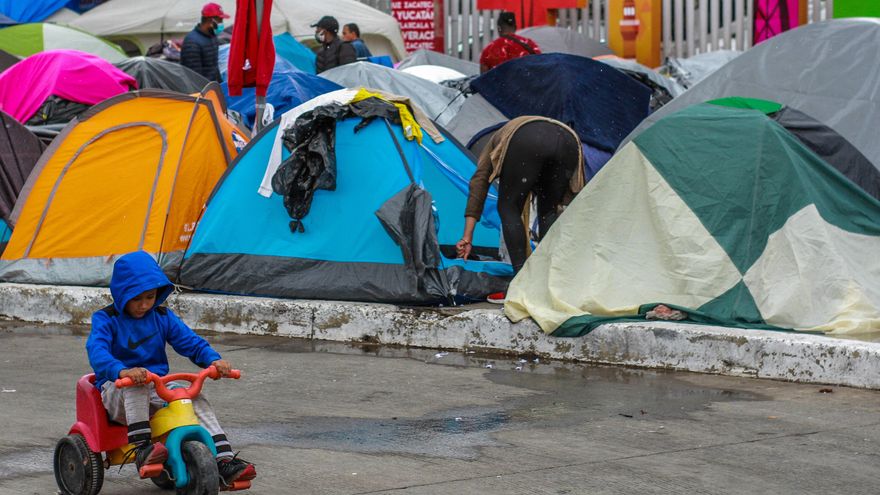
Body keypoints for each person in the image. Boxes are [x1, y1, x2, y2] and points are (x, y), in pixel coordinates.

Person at [86, 251, 256, 487]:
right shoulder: (106, 319)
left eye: (150, 297)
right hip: (118, 391)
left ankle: (223, 459)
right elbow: (97, 351)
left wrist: (213, 361)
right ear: (122, 294)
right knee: (138, 386)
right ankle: (143, 448)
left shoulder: (162, 316)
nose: (145, 304)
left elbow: (190, 342)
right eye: (137, 299)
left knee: (193, 395)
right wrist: (122, 371)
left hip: (157, 386)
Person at [456, 117, 585, 302]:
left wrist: (467, 236)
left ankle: (520, 283)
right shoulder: (543, 127)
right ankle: (551, 282)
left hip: (527, 140)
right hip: (569, 141)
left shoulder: (497, 142)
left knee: (508, 206)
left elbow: (479, 183)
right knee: (548, 211)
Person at [180, 2, 229, 82]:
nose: (221, 24)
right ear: (211, 21)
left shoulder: (212, 37)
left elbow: (214, 68)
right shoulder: (192, 43)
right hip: (202, 91)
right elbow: (193, 78)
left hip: (213, 89)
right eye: (220, 20)